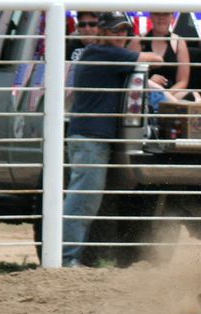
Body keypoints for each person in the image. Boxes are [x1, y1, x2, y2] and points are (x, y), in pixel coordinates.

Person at [63, 12, 163, 267]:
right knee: (83, 200)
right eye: (116, 30)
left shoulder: (98, 53)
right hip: (90, 138)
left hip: (91, 137)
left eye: (124, 31)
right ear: (104, 31)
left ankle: (71, 257)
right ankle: (65, 258)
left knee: (87, 199)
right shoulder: (103, 53)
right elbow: (155, 58)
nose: (120, 35)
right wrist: (136, 44)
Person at [127, 11, 197, 102]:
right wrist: (148, 80)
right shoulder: (138, 41)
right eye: (157, 13)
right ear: (151, 16)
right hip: (144, 92)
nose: (161, 17)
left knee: (194, 95)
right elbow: (129, 74)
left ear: (172, 17)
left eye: (166, 14)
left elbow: (183, 81)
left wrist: (165, 95)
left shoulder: (179, 42)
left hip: (172, 94)